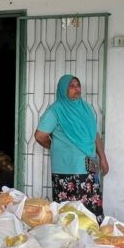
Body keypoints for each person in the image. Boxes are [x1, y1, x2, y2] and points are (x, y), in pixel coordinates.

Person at [34, 74, 109, 222]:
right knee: (70, 215)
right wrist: (54, 146)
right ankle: (71, 244)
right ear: (63, 89)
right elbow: (39, 136)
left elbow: (94, 134)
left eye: (78, 85)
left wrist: (103, 158)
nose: (77, 89)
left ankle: (91, 243)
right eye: (72, 86)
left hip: (90, 167)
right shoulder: (56, 111)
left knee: (91, 212)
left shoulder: (86, 108)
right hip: (67, 171)